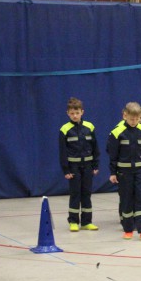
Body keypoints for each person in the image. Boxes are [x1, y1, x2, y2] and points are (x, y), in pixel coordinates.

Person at [107, 102, 141, 242]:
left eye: (137, 119)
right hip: (124, 172)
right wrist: (113, 173)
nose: (134, 122)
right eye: (131, 119)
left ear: (140, 117)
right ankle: (128, 230)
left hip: (140, 171)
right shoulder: (116, 133)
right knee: (126, 199)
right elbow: (113, 155)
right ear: (124, 116)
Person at [58, 97, 99, 232]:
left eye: (77, 113)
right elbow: (62, 152)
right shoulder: (64, 129)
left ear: (82, 112)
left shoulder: (90, 127)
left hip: (87, 167)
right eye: (72, 113)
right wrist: (66, 170)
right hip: (73, 168)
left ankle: (87, 221)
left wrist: (95, 165)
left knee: (86, 193)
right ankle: (73, 221)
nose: (75, 116)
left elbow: (95, 148)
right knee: (75, 194)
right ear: (67, 113)